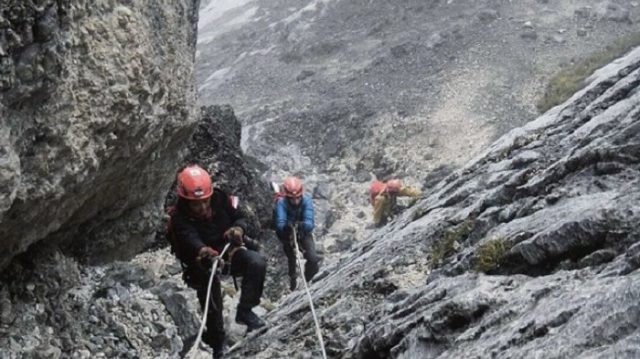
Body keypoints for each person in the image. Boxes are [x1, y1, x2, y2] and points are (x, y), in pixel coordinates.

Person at [169, 165, 266, 359]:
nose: (203, 208)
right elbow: (189, 238)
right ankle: (217, 342)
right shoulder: (178, 217)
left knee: (257, 262)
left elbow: (239, 217)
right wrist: (203, 251)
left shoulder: (220, 198)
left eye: (205, 202)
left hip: (228, 251)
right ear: (186, 201)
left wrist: (238, 229)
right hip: (202, 262)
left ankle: (245, 311)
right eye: (196, 204)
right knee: (210, 295)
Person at [274, 176, 320, 291]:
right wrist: (288, 226)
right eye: (292, 199)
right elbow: (280, 223)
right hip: (286, 234)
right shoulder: (281, 203)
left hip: (303, 232)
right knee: (291, 259)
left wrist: (301, 226)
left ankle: (309, 282)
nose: (295, 201)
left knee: (313, 258)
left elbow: (310, 222)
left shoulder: (306, 201)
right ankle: (292, 284)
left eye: (297, 198)